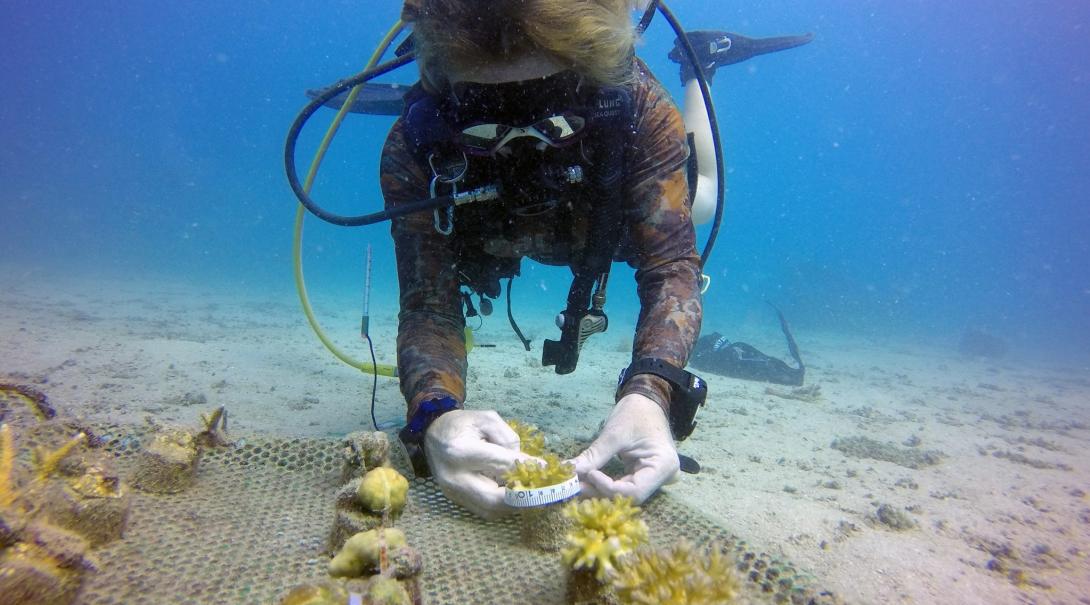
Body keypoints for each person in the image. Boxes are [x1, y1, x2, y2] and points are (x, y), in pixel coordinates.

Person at [381, 0, 703, 519]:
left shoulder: (639, 108)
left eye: (550, 113)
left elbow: (671, 266)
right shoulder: (413, 148)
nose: (522, 143)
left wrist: (651, 392)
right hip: (495, 229)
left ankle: (698, 70)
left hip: (609, 213)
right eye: (486, 115)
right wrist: (435, 414)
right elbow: (428, 303)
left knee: (699, 196)